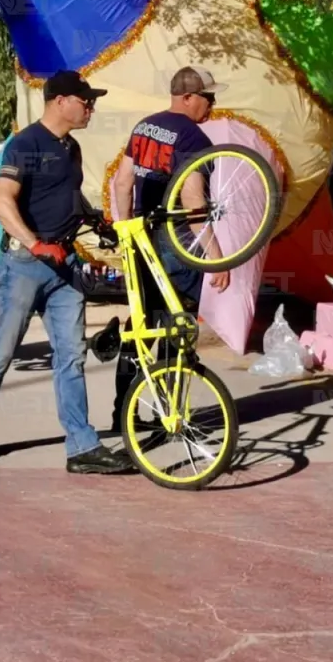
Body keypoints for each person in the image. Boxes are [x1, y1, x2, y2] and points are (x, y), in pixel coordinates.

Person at [0, 70, 134, 475]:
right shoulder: (26, 144)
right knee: (1, 352)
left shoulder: (70, 148)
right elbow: (3, 203)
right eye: (85, 100)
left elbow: (66, 198)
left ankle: (82, 447)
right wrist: (36, 243)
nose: (91, 107)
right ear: (59, 101)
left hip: (63, 267)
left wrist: (94, 221)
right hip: (24, 264)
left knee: (71, 356)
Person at [109, 66, 229, 429]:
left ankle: (124, 413)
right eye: (209, 98)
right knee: (178, 324)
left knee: (142, 323)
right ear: (189, 97)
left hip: (142, 234)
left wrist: (127, 230)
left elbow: (122, 183)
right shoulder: (194, 139)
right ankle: (171, 413)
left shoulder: (144, 126)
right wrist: (217, 257)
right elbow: (193, 204)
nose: (212, 105)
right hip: (176, 239)